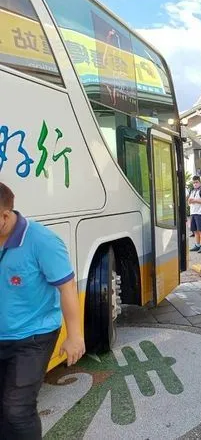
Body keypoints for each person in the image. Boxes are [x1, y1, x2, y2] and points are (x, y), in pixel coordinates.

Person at [0, 182, 85, 438]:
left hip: (33, 335)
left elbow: (67, 287)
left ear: (4, 216)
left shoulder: (42, 241)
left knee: (17, 408)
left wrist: (75, 336)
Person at [188, 176, 201, 253]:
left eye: (196, 182)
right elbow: (189, 201)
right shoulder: (192, 191)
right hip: (193, 213)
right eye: (194, 182)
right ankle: (197, 245)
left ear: (200, 182)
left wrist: (195, 200)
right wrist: (191, 201)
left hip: (200, 213)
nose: (195, 184)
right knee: (195, 230)